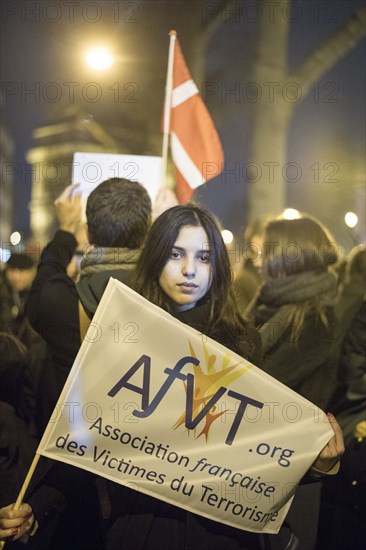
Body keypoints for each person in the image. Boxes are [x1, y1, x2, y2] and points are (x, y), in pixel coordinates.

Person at [1, 205, 344, 550]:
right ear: (154, 260)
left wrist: (318, 464)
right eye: (176, 254)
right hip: (139, 528)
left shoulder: (242, 343)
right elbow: (89, 441)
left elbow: (259, 453)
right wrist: (36, 507)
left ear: (218, 267)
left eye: (204, 257)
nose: (189, 270)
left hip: (219, 536)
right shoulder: (121, 335)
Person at [245, 213, 342, 549]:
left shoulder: (315, 322)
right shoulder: (272, 304)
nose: (258, 261)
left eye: (268, 253)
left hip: (286, 479)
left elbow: (258, 388)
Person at [25, 178, 152, 427]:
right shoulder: (163, 296)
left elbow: (45, 280)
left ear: (89, 232)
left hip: (71, 448)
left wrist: (65, 228)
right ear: (147, 231)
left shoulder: (58, 302)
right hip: (138, 454)